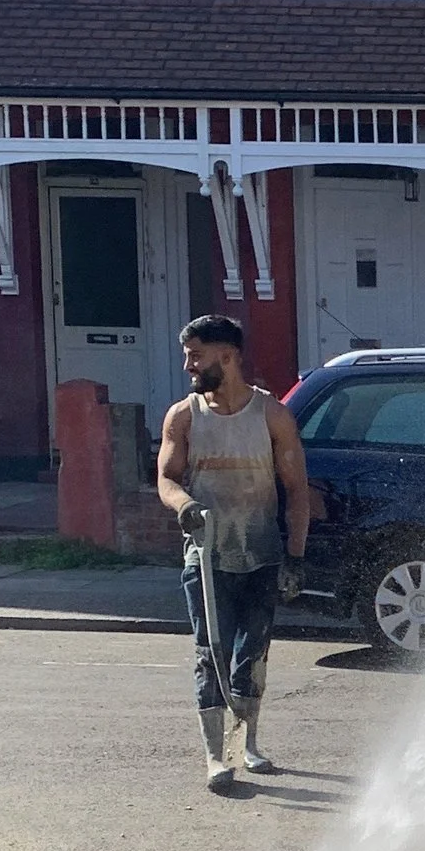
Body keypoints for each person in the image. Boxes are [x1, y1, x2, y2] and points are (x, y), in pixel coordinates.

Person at [156, 314, 312, 794]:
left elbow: (297, 490)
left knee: (253, 654)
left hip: (261, 554)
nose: (188, 365)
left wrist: (296, 555)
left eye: (196, 355)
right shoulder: (183, 417)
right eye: (188, 355)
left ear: (228, 356)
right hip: (205, 558)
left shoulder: (271, 416)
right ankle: (213, 755)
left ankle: (251, 743)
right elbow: (165, 478)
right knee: (210, 653)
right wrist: (184, 505)